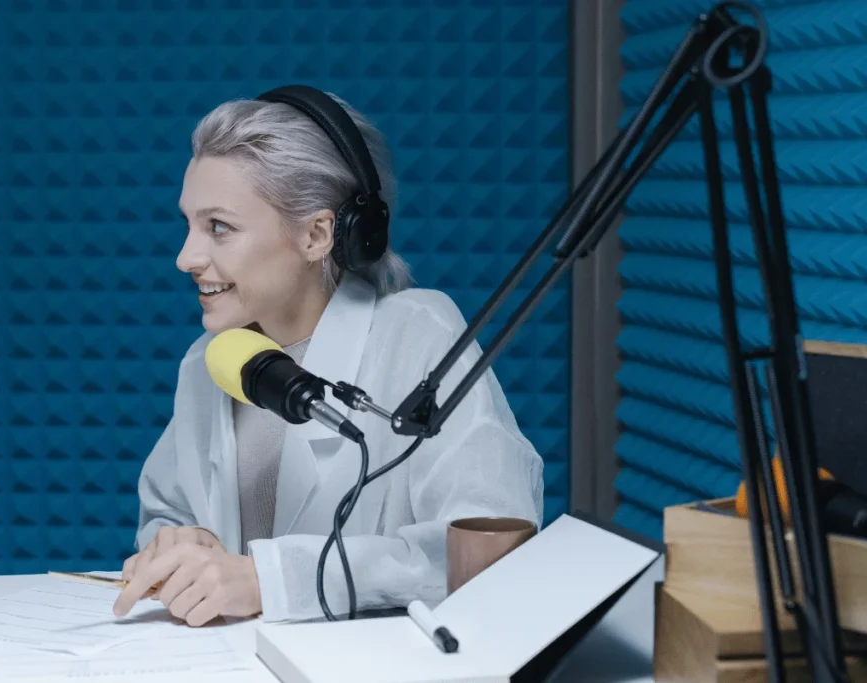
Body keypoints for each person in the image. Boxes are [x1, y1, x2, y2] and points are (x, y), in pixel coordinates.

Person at [112, 86, 544, 625]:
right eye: (189, 225)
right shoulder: (212, 361)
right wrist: (180, 542)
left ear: (317, 234)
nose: (185, 257)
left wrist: (272, 581)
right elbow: (165, 509)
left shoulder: (419, 335)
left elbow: (487, 548)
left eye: (219, 227)